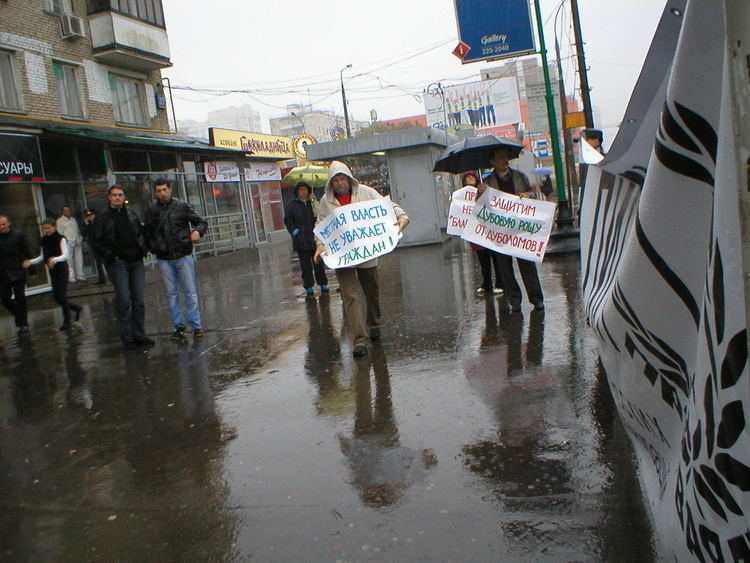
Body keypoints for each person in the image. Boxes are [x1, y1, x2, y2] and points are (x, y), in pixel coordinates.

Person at [313, 161, 409, 358]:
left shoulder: (366, 192)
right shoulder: (325, 201)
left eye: (342, 179)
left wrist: (402, 217)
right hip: (343, 256)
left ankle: (374, 323)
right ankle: (359, 339)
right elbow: (321, 225)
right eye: (336, 180)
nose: (339, 183)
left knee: (371, 291)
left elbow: (388, 206)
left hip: (367, 252)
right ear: (331, 183)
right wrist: (320, 244)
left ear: (349, 179)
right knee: (349, 296)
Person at [482, 146, 544, 312]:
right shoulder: (488, 183)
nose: (504, 160)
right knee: (504, 268)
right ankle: (514, 301)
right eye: (500, 158)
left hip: (520, 228)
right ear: (492, 162)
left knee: (527, 265)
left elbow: (532, 194)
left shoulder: (519, 176)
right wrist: (480, 194)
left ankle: (536, 299)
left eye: (505, 157)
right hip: (500, 231)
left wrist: (528, 195)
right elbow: (482, 207)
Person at [90, 185, 154, 349]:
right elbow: (96, 242)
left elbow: (140, 232)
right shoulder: (102, 217)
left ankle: (139, 334)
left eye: (120, 195)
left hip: (136, 260)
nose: (118, 198)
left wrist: (143, 248)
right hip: (119, 262)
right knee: (124, 300)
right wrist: (111, 255)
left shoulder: (131, 213)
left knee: (138, 300)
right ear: (109, 197)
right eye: (114, 195)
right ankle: (127, 337)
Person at [144, 178, 208, 340]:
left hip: (183, 255)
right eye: (159, 191)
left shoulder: (182, 206)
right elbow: (148, 232)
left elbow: (201, 221)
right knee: (171, 294)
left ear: (170, 189)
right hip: (164, 257)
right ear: (155, 192)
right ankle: (178, 327)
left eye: (164, 189)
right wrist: (155, 247)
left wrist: (197, 232)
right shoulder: (152, 210)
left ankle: (196, 326)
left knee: (190, 292)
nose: (162, 193)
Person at [28, 218, 82, 331]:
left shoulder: (60, 238)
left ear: (54, 227)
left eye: (48, 228)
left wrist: (54, 259)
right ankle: (76, 308)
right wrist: (31, 262)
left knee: (62, 296)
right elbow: (43, 256)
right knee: (57, 298)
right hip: (52, 270)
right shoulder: (44, 240)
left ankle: (67, 320)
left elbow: (65, 255)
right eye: (44, 229)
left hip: (61, 268)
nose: (46, 230)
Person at [284, 181, 329, 297]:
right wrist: (295, 231)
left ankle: (322, 283)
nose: (304, 192)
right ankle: (308, 286)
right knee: (305, 266)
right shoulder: (292, 205)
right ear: (297, 191)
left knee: (318, 263)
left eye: (305, 189)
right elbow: (288, 220)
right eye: (301, 190)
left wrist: (315, 202)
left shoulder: (312, 203)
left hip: (314, 240)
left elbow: (320, 215)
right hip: (301, 241)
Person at [462, 172, 503, 296]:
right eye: (467, 177)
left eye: (472, 176)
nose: (470, 178)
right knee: (483, 259)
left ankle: (500, 283)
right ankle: (487, 283)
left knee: (495, 258)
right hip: (476, 232)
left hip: (489, 230)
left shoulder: (485, 190)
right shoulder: (461, 195)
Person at [0, 215, 35, 332]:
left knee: (20, 297)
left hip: (17, 270)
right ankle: (19, 316)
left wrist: (32, 270)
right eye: (0, 224)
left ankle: (23, 324)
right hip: (3, 272)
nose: (1, 226)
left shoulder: (18, 235)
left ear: (9, 223)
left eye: (4, 224)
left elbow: (27, 252)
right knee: (5, 299)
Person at [56, 205, 85, 282]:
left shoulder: (73, 219)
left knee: (79, 259)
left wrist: (80, 238)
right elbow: (60, 233)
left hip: (77, 241)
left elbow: (77, 230)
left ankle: (80, 275)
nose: (67, 212)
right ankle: (71, 276)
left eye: (68, 210)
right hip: (68, 242)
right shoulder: (60, 221)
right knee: (69, 260)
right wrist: (64, 242)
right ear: (62, 212)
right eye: (65, 210)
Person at [80, 208, 106, 284]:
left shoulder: (99, 222)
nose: (90, 217)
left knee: (106, 262)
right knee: (98, 262)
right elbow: (84, 233)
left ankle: (112, 277)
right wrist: (87, 225)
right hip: (94, 245)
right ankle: (101, 278)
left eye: (91, 215)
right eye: (88, 216)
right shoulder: (86, 224)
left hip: (102, 244)